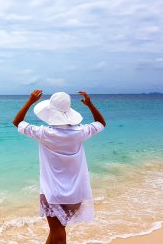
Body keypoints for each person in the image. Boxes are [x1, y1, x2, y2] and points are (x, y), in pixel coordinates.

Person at [12, 90, 106, 244]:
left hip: (53, 193)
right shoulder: (80, 132)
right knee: (56, 230)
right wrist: (90, 105)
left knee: (58, 232)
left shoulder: (44, 133)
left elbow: (17, 122)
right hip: (76, 193)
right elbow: (101, 123)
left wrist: (30, 101)